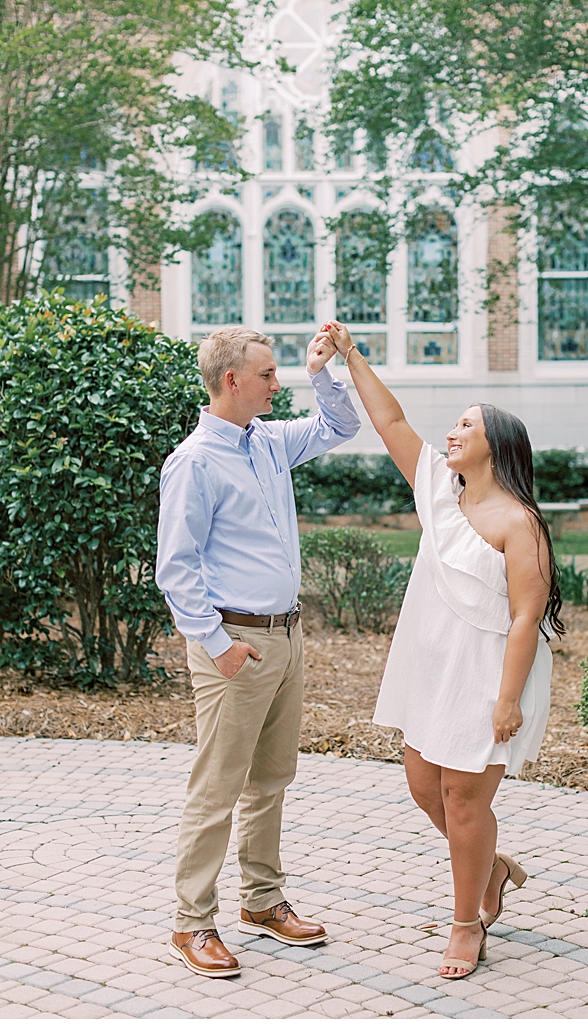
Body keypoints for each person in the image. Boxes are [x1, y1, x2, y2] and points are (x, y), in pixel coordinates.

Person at [322, 319, 558, 980]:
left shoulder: (520, 523)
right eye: (453, 425)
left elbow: (525, 618)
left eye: (466, 426)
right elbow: (390, 419)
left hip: (488, 676)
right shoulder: (439, 494)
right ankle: (495, 868)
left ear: (495, 448)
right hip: (432, 669)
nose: (452, 433)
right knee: (424, 788)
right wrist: (350, 354)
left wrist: (508, 700)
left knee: (463, 799)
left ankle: (467, 924)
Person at [155, 325, 360, 979]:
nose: (280, 384)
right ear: (233, 381)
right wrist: (217, 646)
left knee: (271, 780)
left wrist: (324, 370)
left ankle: (264, 902)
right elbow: (175, 568)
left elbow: (341, 424)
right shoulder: (194, 462)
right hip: (233, 643)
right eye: (270, 375)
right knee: (218, 787)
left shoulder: (269, 440)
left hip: (286, 636)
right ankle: (191, 924)